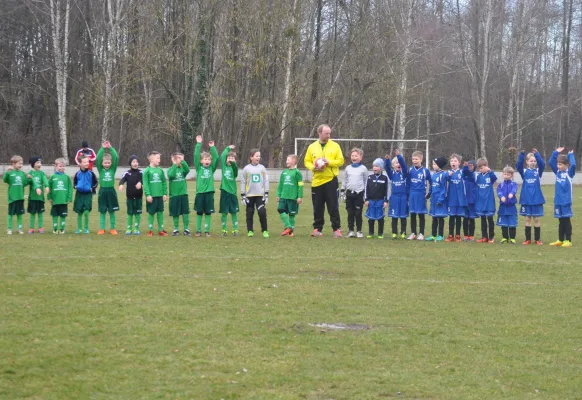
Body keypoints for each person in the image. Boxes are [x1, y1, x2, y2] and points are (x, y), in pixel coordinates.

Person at [304, 124, 345, 237]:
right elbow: (306, 161)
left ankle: (336, 229)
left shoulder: (335, 146)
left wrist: (329, 162)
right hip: (317, 181)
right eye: (326, 133)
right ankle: (317, 229)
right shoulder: (312, 147)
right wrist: (313, 167)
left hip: (330, 180)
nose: (329, 135)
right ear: (320, 133)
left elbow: (341, 161)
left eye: (329, 133)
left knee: (333, 206)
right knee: (317, 206)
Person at [516, 149, 545, 245]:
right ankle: (527, 239)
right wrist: (521, 155)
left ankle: (537, 239)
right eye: (531, 161)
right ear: (527, 162)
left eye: (534, 161)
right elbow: (518, 166)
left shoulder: (538, 171)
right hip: (526, 200)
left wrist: (537, 155)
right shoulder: (524, 171)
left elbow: (542, 164)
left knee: (536, 219)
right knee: (527, 219)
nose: (533, 162)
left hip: (536, 200)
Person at [548, 147, 576, 247]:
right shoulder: (558, 173)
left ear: (566, 165)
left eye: (560, 164)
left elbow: (574, 165)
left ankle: (568, 240)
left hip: (566, 201)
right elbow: (551, 162)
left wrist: (570, 155)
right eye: (558, 164)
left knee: (566, 220)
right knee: (560, 220)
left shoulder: (569, 173)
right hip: (558, 201)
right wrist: (555, 152)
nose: (558, 166)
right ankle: (560, 240)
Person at [467, 157, 497, 243]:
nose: (481, 169)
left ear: (486, 166)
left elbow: (494, 178)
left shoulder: (490, 175)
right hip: (481, 201)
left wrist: (490, 171)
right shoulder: (478, 176)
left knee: (490, 219)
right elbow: (471, 179)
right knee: (482, 219)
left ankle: (491, 237)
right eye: (479, 168)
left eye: (482, 167)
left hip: (489, 201)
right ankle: (484, 236)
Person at [240, 148, 269, 237]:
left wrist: (266, 194)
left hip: (260, 195)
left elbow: (265, 181)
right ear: (251, 157)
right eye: (257, 156)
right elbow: (243, 182)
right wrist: (243, 195)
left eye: (259, 156)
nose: (258, 157)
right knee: (249, 213)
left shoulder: (262, 168)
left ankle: (264, 231)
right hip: (249, 195)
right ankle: (250, 231)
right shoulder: (246, 168)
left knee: (262, 212)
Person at [194, 136, 219, 237]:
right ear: (201, 161)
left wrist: (212, 147)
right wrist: (198, 144)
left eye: (209, 159)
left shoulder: (211, 169)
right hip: (200, 193)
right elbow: (196, 155)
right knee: (199, 212)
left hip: (209, 193)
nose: (207, 160)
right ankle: (198, 230)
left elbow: (216, 158)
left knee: (208, 213)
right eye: (205, 159)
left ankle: (207, 230)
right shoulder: (198, 168)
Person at [340, 148, 368, 238]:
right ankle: (350, 230)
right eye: (352, 155)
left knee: (358, 213)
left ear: (361, 157)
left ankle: (359, 231)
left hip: (359, 194)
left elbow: (366, 182)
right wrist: (342, 191)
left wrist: (365, 195)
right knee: (350, 213)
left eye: (356, 156)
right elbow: (345, 180)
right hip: (349, 194)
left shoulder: (363, 169)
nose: (354, 157)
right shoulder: (348, 168)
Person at [4, 155, 33, 234]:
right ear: (13, 164)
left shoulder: (22, 173)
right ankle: (9, 229)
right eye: (19, 163)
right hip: (12, 198)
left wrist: (29, 179)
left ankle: (19, 228)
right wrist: (7, 173)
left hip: (20, 198)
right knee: (11, 214)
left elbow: (24, 183)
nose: (21, 165)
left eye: (22, 164)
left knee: (20, 214)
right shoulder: (10, 173)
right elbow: (4, 180)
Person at [276, 154, 304, 237]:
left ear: (294, 161)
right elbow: (280, 184)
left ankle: (290, 232)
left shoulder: (297, 172)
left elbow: (300, 185)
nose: (286, 161)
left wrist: (300, 196)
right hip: (283, 197)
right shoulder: (284, 172)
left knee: (291, 215)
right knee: (280, 209)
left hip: (293, 197)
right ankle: (289, 227)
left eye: (288, 160)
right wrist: (278, 194)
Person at [407, 150, 431, 240]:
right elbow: (408, 183)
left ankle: (421, 234)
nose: (414, 161)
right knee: (412, 214)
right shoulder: (410, 170)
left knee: (421, 214)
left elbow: (431, 182)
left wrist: (429, 192)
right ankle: (413, 233)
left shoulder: (425, 171)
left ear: (421, 159)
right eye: (413, 159)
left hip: (421, 195)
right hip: (412, 194)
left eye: (416, 159)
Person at [96, 141, 119, 235]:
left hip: (111, 191)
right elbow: (97, 158)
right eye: (105, 163)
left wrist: (110, 148)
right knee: (102, 211)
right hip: (102, 191)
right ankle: (102, 228)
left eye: (108, 163)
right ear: (102, 163)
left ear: (111, 163)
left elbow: (116, 157)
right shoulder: (100, 170)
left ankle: (112, 228)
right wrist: (102, 148)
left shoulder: (113, 169)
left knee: (112, 211)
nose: (107, 164)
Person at [143, 151, 168, 237]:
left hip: (160, 196)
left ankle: (161, 230)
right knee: (151, 213)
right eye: (158, 158)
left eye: (159, 158)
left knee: (160, 212)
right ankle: (150, 230)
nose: (159, 160)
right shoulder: (147, 171)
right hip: (151, 197)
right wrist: (148, 195)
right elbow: (145, 184)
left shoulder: (160, 170)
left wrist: (165, 193)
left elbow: (164, 182)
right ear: (152, 159)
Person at [385, 149, 408, 239]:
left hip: (403, 197)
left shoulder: (404, 173)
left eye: (399, 163)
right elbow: (387, 168)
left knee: (403, 216)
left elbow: (404, 165)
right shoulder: (392, 174)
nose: (398, 164)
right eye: (396, 163)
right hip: (394, 197)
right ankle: (394, 232)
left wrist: (399, 156)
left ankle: (403, 232)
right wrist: (387, 160)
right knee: (394, 216)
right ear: (393, 165)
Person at [73, 155, 98, 234]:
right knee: (79, 212)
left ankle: (86, 228)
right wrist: (75, 186)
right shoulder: (77, 174)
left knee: (86, 211)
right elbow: (74, 182)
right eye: (84, 162)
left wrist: (92, 188)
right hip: (79, 194)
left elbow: (96, 183)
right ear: (80, 164)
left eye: (87, 161)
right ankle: (79, 228)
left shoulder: (91, 173)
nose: (87, 163)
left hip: (88, 195)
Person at [364, 158, 389, 239]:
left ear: (381, 168)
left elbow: (387, 190)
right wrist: (366, 199)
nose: (375, 168)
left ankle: (380, 233)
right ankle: (371, 233)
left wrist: (386, 201)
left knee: (380, 217)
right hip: (371, 201)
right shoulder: (369, 177)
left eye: (377, 166)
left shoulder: (384, 178)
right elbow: (366, 189)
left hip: (380, 201)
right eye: (374, 166)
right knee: (371, 218)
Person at [167, 152, 191, 236]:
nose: (179, 160)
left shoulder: (183, 170)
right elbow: (171, 175)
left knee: (185, 212)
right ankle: (176, 229)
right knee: (175, 213)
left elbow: (187, 170)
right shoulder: (170, 169)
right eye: (178, 159)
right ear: (173, 160)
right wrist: (174, 165)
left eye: (181, 159)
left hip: (183, 194)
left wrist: (183, 162)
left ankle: (186, 228)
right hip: (174, 196)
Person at [119, 155, 143, 235]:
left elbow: (144, 179)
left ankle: (136, 229)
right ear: (130, 163)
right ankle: (129, 229)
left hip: (138, 197)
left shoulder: (141, 172)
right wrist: (121, 184)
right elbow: (122, 179)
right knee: (130, 213)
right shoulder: (127, 173)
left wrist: (140, 182)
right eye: (133, 162)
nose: (135, 163)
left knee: (137, 213)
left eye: (136, 162)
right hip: (129, 198)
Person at [445, 153, 467, 242]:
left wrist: (466, 167)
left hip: (460, 200)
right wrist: (448, 176)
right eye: (451, 161)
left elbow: (468, 174)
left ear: (459, 163)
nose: (453, 162)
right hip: (451, 199)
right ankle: (450, 235)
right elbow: (445, 179)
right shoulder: (448, 173)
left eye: (455, 161)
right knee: (451, 218)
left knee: (458, 218)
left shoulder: (461, 172)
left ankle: (457, 235)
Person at [47, 158, 73, 234]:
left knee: (63, 215)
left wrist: (69, 198)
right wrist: (49, 197)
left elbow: (70, 189)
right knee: (54, 215)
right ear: (56, 166)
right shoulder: (52, 177)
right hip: (55, 200)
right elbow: (49, 188)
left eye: (63, 166)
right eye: (60, 166)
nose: (62, 168)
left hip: (63, 200)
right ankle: (55, 228)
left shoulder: (67, 177)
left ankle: (62, 229)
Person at [425, 156, 448, 241]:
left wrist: (441, 200)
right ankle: (433, 234)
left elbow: (444, 189)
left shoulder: (443, 175)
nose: (433, 165)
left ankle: (440, 235)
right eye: (433, 164)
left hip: (440, 200)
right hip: (434, 199)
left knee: (440, 217)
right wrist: (429, 194)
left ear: (439, 165)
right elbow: (431, 186)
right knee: (434, 217)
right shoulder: (433, 175)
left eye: (434, 164)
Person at [219, 145, 239, 236]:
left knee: (234, 212)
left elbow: (235, 169)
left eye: (232, 158)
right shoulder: (224, 167)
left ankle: (235, 230)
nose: (230, 159)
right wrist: (228, 148)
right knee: (224, 212)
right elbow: (222, 155)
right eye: (229, 158)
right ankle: (224, 230)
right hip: (224, 192)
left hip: (233, 193)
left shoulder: (234, 168)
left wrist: (233, 163)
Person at [27, 156, 49, 234]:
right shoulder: (30, 173)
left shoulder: (42, 173)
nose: (39, 164)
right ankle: (31, 228)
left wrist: (47, 186)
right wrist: (29, 178)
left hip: (40, 198)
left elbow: (45, 180)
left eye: (40, 162)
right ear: (33, 164)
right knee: (32, 213)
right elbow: (29, 182)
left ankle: (40, 228)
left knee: (40, 213)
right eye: (37, 163)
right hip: (32, 198)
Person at [496, 166, 518, 243]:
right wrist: (501, 196)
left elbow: (514, 189)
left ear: (511, 175)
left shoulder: (514, 184)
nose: (506, 176)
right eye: (504, 174)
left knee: (512, 223)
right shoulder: (501, 185)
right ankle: (505, 237)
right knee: (504, 223)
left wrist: (512, 194)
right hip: (503, 207)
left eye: (508, 174)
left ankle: (512, 238)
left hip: (511, 207)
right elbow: (499, 191)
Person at [462, 160, 477, 241]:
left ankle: (471, 235)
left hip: (472, 200)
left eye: (471, 166)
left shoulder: (473, 175)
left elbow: (470, 175)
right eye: (469, 166)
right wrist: (465, 167)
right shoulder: (464, 175)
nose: (469, 167)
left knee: (471, 218)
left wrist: (467, 168)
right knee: (465, 218)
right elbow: (464, 173)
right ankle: (465, 235)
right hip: (464, 200)